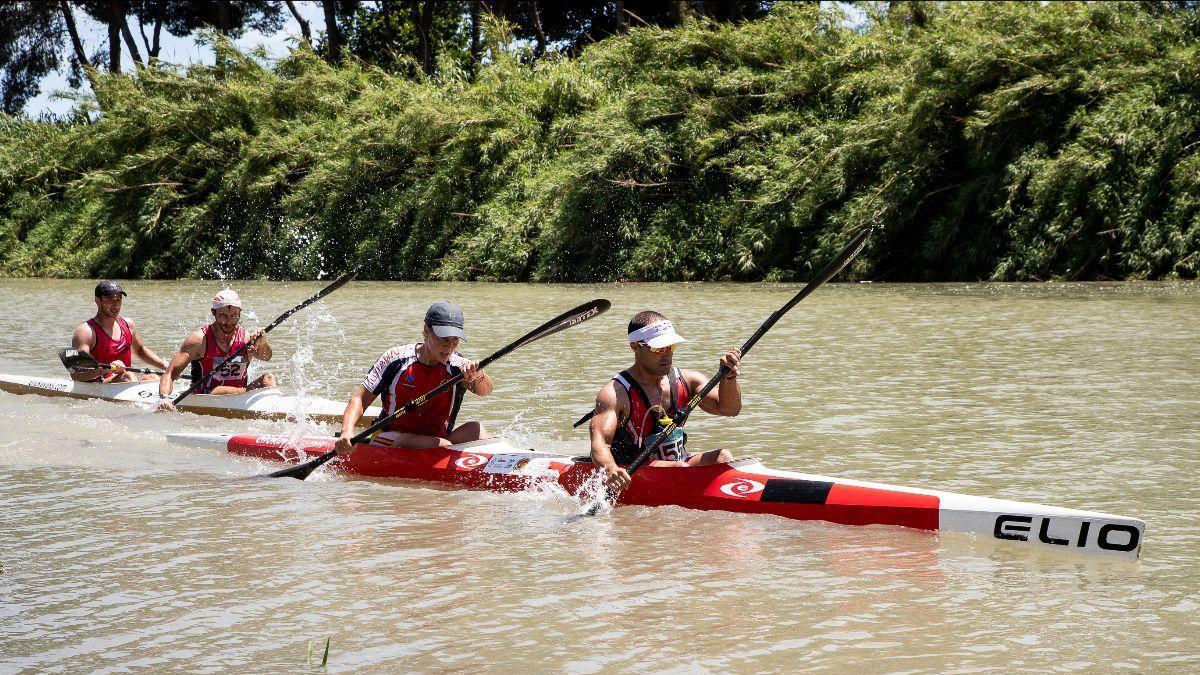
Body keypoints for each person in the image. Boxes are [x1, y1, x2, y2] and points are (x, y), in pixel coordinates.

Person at [590, 310, 742, 492]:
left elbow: (728, 409)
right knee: (681, 470)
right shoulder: (615, 393)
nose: (667, 355)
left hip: (678, 463)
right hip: (632, 471)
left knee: (723, 457)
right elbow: (599, 444)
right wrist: (610, 469)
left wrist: (728, 378)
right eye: (658, 348)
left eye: (671, 347)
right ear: (634, 347)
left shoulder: (688, 380)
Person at [333, 300, 492, 454]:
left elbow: (486, 391)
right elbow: (360, 398)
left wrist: (478, 376)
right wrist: (346, 432)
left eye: (455, 339)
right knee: (441, 444)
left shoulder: (458, 366)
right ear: (426, 330)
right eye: (444, 338)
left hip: (437, 439)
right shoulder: (395, 359)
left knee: (476, 430)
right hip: (393, 437)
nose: (449, 346)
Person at [157, 289, 276, 407]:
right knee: (221, 389)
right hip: (206, 395)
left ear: (240, 312)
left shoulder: (246, 337)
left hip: (240, 397)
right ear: (213, 312)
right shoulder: (198, 340)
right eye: (223, 315)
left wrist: (263, 343)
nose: (229, 322)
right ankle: (246, 393)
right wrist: (164, 398)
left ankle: (274, 407)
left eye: (234, 316)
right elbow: (170, 373)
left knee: (268, 379)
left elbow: (266, 357)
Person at [69, 280, 168, 383]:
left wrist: (165, 366)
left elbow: (140, 351)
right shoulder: (85, 332)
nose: (115, 305)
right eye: (111, 300)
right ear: (98, 301)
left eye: (118, 300)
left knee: (153, 377)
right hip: (98, 383)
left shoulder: (128, 325)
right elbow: (76, 374)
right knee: (128, 376)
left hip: (124, 380)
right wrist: (109, 368)